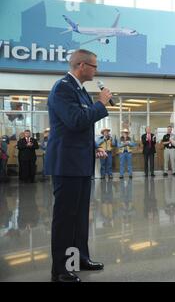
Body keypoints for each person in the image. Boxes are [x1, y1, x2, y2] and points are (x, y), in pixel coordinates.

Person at [46, 49, 112, 282]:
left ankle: (79, 258)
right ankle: (61, 269)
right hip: (67, 164)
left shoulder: (80, 91)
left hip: (81, 162)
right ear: (81, 65)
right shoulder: (62, 88)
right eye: (94, 66)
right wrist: (101, 104)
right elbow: (75, 121)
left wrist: (94, 146)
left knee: (80, 216)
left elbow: (81, 127)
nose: (97, 70)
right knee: (66, 217)